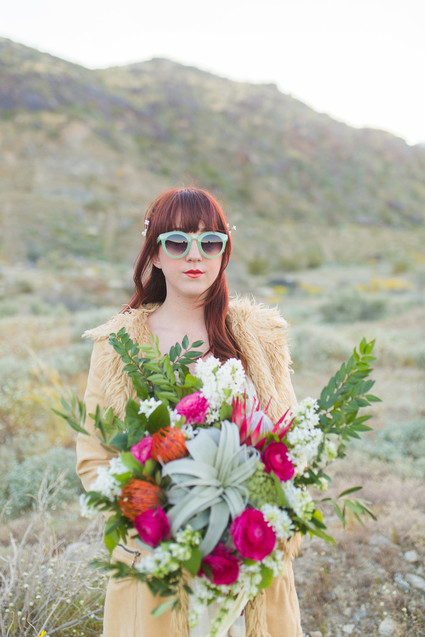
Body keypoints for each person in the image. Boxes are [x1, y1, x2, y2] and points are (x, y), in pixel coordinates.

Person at [76, 187, 302, 637]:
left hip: (248, 567)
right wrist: (158, 523)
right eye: (177, 241)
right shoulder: (118, 346)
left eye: (209, 241)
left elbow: (291, 443)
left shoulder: (262, 338)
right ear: (155, 254)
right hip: (159, 567)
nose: (194, 255)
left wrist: (260, 515)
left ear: (224, 252)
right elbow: (95, 459)